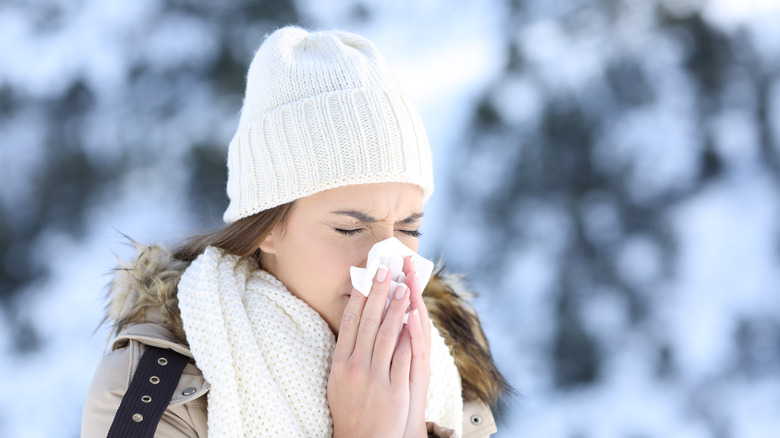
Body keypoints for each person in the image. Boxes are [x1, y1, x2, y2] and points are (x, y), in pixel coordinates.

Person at [81, 26, 510, 437]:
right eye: (349, 228)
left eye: (408, 227)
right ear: (267, 228)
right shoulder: (155, 390)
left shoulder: (443, 369)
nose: (389, 261)